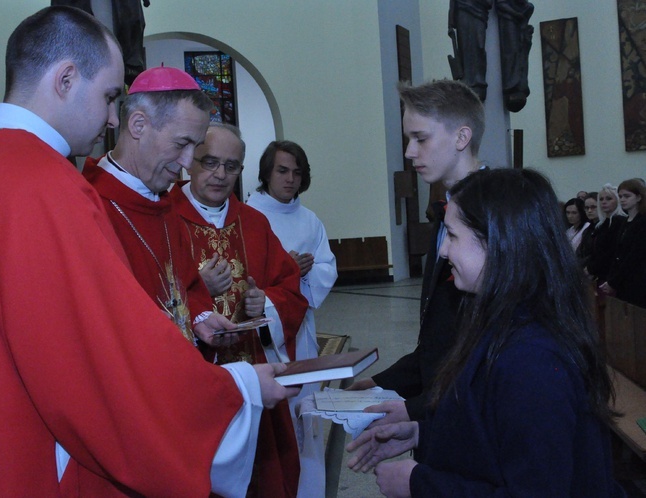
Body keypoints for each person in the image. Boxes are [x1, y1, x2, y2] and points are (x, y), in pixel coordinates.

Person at [0, 7, 297, 497]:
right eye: (109, 96)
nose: (113, 117)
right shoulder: (42, 182)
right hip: (29, 458)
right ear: (66, 78)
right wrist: (237, 389)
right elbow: (96, 359)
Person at [347, 168, 625, 497]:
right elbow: (492, 426)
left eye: (452, 235)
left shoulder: (533, 358)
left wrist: (419, 484)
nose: (443, 252)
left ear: (497, 241)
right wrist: (422, 432)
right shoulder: (506, 318)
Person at [171, 122, 309, 497]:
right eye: (210, 162)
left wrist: (266, 301)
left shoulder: (254, 223)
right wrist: (196, 291)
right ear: (189, 161)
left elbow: (292, 290)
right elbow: (142, 294)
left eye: (232, 166)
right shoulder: (164, 219)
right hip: (193, 387)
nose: (220, 175)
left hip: (253, 381)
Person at [349, 79, 484, 426]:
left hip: (472, 423)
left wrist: (415, 410)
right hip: (441, 406)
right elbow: (442, 337)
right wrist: (384, 383)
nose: (409, 152)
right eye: (409, 140)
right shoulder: (450, 211)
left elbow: (486, 359)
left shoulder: (495, 220)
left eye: (420, 139)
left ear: (461, 137)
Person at [83, 66, 237, 354]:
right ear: (138, 125)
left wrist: (199, 317)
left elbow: (183, 287)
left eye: (195, 146)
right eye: (181, 144)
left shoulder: (163, 204)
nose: (187, 162)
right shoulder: (89, 206)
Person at [246, 140, 338, 497]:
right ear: (266, 172)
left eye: (297, 172)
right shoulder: (248, 215)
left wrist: (300, 275)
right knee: (275, 417)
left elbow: (326, 267)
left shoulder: (310, 220)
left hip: (302, 331)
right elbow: (246, 276)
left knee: (306, 412)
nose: (290, 179)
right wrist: (284, 270)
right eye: (282, 171)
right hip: (265, 334)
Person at [599, 178, 646, 308]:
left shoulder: (642, 222)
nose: (622, 199)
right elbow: (618, 254)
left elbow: (634, 255)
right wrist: (611, 280)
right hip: (623, 282)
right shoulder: (624, 222)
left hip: (638, 280)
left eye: (627, 196)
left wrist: (613, 282)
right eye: (620, 196)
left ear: (638, 197)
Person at [585, 183, 627, 284]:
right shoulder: (601, 224)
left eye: (608, 199)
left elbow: (610, 252)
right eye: (601, 199)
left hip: (609, 276)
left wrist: (591, 269)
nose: (604, 202)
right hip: (598, 274)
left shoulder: (619, 222)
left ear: (617, 200)